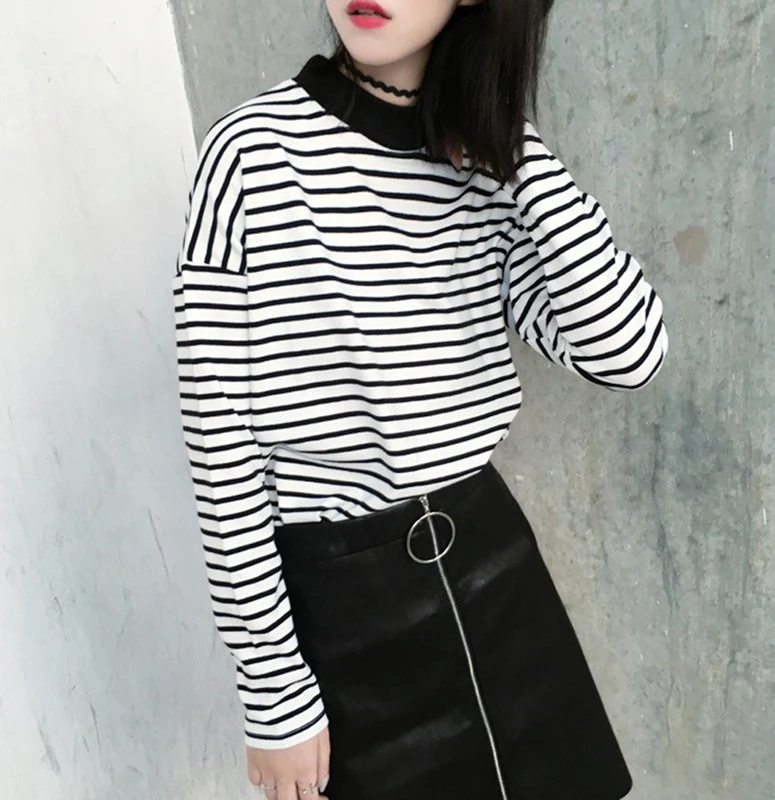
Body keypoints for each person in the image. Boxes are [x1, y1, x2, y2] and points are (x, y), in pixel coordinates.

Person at [171, 1, 668, 798]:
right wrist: (272, 692)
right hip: (347, 614)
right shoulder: (251, 156)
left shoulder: (487, 172)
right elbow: (219, 444)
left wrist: (517, 152)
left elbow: (628, 354)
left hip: (499, 580)